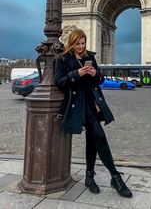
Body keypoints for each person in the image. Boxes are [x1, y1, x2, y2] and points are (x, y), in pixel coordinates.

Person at [54, 29, 132, 198]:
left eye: (83, 43)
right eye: (78, 44)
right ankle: (109, 176)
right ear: (72, 43)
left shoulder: (90, 57)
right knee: (97, 137)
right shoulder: (62, 59)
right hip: (76, 104)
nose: (81, 47)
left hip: (91, 103)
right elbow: (59, 81)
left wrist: (95, 74)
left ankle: (97, 177)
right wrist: (77, 73)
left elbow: (100, 80)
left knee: (95, 138)